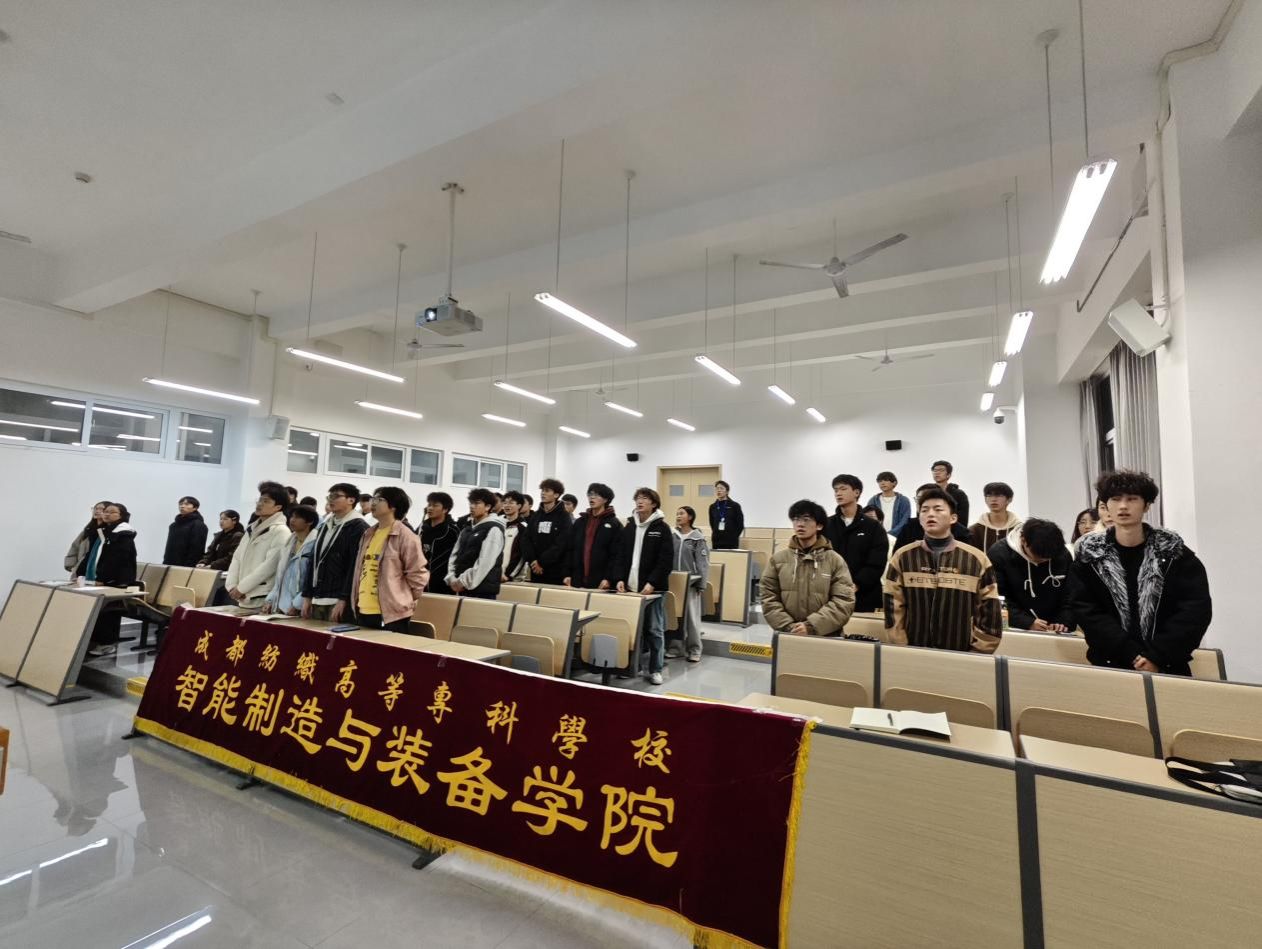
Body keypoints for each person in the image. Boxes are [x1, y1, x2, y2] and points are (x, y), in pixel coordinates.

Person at [1072, 470, 1212, 676]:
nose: (1123, 506)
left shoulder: (1175, 555)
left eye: (1132, 499)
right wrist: (1129, 652)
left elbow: (1195, 610)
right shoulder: (1090, 558)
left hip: (1168, 665)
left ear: (1146, 505)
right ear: (1105, 506)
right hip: (1110, 663)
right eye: (1115, 499)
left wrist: (1157, 655)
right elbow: (1086, 610)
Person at [883, 487, 1002, 652]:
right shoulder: (903, 557)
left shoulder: (976, 559)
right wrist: (902, 647)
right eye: (924, 510)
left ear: (953, 518)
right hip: (913, 651)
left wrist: (978, 652)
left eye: (938, 509)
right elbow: (892, 606)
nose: (930, 514)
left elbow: (990, 610)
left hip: (962, 653)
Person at [760, 499, 855, 637]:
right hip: (788, 634)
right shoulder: (778, 560)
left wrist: (811, 626)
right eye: (796, 519)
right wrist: (788, 626)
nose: (800, 524)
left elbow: (843, 601)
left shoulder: (834, 560)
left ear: (819, 525)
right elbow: (768, 596)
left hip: (826, 636)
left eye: (806, 519)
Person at [615, 488, 675, 686]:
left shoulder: (662, 528)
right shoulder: (629, 526)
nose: (640, 502)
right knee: (634, 629)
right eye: (638, 498)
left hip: (653, 590)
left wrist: (652, 582)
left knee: (654, 629)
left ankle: (656, 669)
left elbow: (665, 561)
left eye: (645, 499)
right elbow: (621, 555)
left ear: (654, 504)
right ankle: (634, 667)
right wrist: (619, 578)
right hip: (630, 588)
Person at [351, 487, 428, 631]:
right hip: (363, 608)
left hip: (392, 614)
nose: (373, 503)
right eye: (373, 499)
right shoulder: (368, 533)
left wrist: (403, 600)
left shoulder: (406, 536)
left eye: (379, 499)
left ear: (393, 506)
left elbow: (417, 574)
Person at [988, 518, 1074, 632]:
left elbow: (1070, 595)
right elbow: (997, 597)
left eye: (1047, 559)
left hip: (1054, 629)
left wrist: (1063, 621)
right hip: (1014, 628)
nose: (1042, 561)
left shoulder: (1061, 554)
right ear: (1023, 540)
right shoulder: (999, 554)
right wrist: (1026, 622)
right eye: (1037, 556)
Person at [77, 502, 138, 656]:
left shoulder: (123, 534)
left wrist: (104, 579)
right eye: (105, 511)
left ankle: (107, 644)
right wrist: (80, 573)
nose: (106, 514)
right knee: (96, 611)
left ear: (121, 516)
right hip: (97, 579)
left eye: (111, 512)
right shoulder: (104, 531)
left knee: (109, 612)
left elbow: (118, 560)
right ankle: (94, 641)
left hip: (115, 581)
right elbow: (92, 554)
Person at [824, 474, 889, 613]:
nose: (838, 493)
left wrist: (857, 584)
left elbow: (877, 562)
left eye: (843, 489)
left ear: (857, 492)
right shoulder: (827, 525)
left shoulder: (873, 527)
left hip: (864, 595)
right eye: (836, 490)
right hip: (829, 594)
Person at [303, 483, 368, 621]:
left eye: (336, 496)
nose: (331, 499)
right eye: (330, 496)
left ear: (351, 500)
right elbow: (314, 561)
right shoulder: (325, 525)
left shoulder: (358, 527)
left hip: (338, 599)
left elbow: (354, 567)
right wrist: (307, 596)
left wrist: (344, 598)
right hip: (318, 597)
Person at [226, 482, 292, 607]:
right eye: (260, 500)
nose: (260, 504)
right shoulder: (251, 528)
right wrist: (231, 585)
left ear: (278, 507)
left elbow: (269, 566)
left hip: (261, 596)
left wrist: (242, 588)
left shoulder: (281, 531)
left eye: (266, 501)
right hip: (241, 594)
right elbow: (237, 557)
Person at [447, 488, 506, 598]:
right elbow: (454, 555)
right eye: (471, 503)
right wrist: (452, 577)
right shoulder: (466, 529)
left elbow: (485, 561)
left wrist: (463, 581)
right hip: (461, 586)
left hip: (482, 589)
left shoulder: (494, 528)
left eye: (477, 503)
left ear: (487, 507)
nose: (472, 506)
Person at [261, 505, 319, 616]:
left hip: (303, 606)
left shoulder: (316, 544)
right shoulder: (289, 542)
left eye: (297, 517)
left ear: (310, 522)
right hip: (282, 606)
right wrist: (270, 600)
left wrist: (297, 604)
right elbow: (280, 576)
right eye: (292, 516)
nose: (292, 520)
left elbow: (313, 579)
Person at [670, 505, 710, 662]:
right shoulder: (673, 535)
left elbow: (703, 563)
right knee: (676, 617)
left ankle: (695, 649)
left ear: (690, 517)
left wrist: (702, 583)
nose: (678, 516)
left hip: (691, 584)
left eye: (682, 513)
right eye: (677, 513)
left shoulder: (697, 538)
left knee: (692, 619)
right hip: (675, 583)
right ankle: (676, 648)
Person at [565, 483, 621, 590]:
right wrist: (567, 573)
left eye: (596, 495)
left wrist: (608, 578)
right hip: (577, 579)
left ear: (605, 500)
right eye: (590, 494)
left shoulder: (614, 524)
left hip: (601, 581)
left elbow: (616, 555)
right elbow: (570, 549)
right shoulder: (580, 522)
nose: (592, 497)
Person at [523, 478, 572, 585]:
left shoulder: (564, 516)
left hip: (555, 571)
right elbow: (527, 539)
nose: (543, 493)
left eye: (547, 491)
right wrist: (533, 560)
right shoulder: (536, 515)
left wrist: (541, 562)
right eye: (542, 490)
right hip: (535, 569)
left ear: (556, 495)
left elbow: (561, 544)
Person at [894, 484, 973, 548]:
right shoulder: (908, 527)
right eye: (919, 499)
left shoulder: (962, 533)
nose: (922, 502)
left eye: (937, 509)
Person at [420, 492, 460, 595]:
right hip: (420, 582)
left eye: (435, 505)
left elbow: (457, 558)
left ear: (445, 509)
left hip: (443, 585)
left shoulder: (452, 531)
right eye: (429, 505)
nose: (430, 508)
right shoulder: (422, 529)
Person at [969, 482, 1022, 551]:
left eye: (999, 495)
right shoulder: (974, 530)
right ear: (985, 500)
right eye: (989, 495)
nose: (993, 499)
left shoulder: (1019, 530)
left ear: (1009, 499)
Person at [162, 496, 209, 568]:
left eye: (187, 504)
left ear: (195, 508)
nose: (182, 506)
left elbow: (197, 550)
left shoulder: (198, 525)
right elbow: (169, 548)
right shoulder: (173, 525)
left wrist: (189, 567)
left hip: (187, 567)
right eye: (180, 504)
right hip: (169, 564)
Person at [65, 501, 107, 574]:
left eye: (101, 509)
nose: (97, 511)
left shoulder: (108, 531)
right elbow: (75, 547)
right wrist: (72, 566)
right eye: (95, 508)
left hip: (98, 570)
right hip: (81, 570)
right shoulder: (88, 530)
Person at [866, 472, 911, 537]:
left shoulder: (903, 500)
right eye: (880, 481)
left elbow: (905, 520)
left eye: (886, 480)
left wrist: (891, 534)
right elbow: (868, 519)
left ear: (894, 483)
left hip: (898, 537)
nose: (882, 483)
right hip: (877, 536)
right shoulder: (873, 500)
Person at [500, 490, 531, 582]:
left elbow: (522, 556)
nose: (507, 505)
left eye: (511, 503)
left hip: (512, 578)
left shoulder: (523, 527)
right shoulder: (497, 523)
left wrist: (509, 575)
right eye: (505, 503)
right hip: (493, 575)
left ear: (519, 506)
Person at [930, 460, 970, 526]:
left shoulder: (959, 494)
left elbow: (963, 520)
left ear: (949, 475)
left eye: (941, 470)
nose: (937, 472)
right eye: (935, 470)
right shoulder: (927, 493)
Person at [708, 480, 745, 549]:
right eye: (717, 489)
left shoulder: (735, 506)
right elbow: (712, 523)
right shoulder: (713, 507)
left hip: (731, 541)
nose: (719, 490)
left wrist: (734, 536)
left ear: (727, 491)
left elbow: (740, 524)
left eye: (721, 488)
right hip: (717, 540)